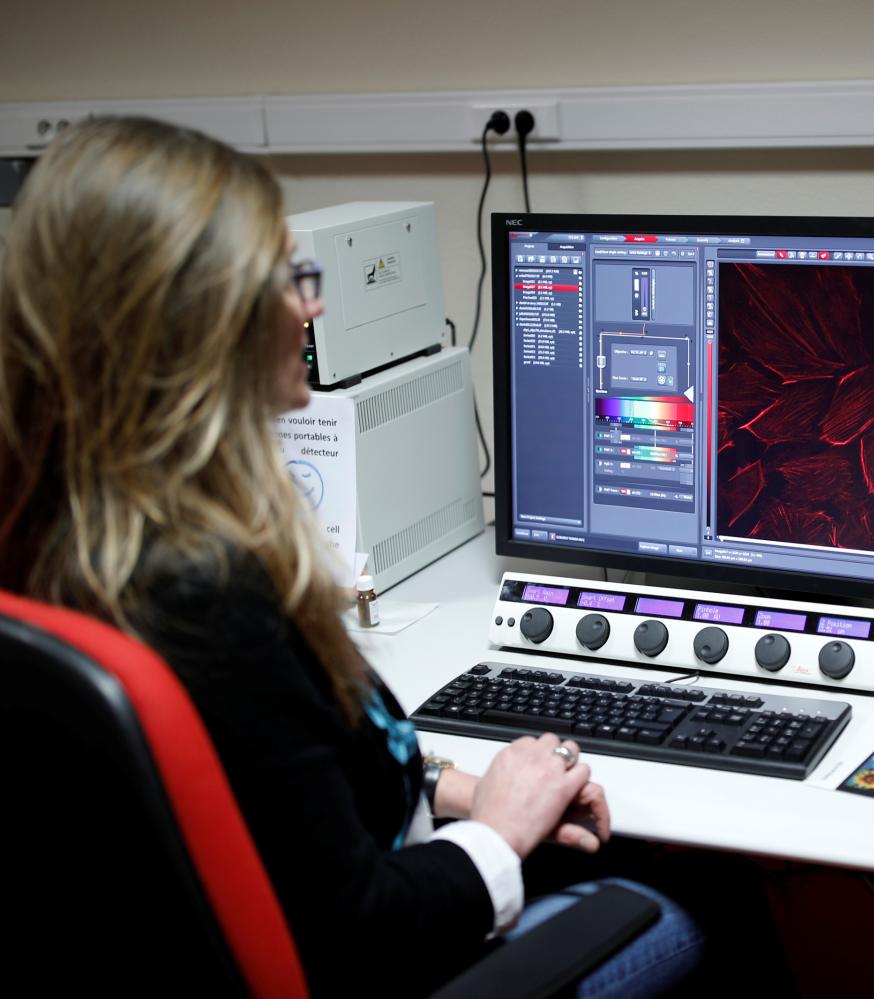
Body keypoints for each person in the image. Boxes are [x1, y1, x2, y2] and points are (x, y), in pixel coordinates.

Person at [0, 116, 702, 997]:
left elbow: (263, 810)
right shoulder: (207, 602)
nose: (314, 304)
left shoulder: (61, 540)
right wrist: (499, 831)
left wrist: (453, 790)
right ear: (198, 321)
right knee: (687, 896)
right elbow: (358, 932)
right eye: (288, 278)